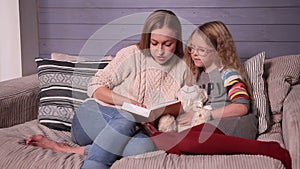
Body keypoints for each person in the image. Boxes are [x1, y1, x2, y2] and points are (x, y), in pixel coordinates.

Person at [26, 9, 188, 169]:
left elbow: (184, 104)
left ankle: (69, 149)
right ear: (147, 39)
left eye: (168, 44)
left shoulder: (183, 67)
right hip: (91, 118)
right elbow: (95, 86)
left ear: (177, 41)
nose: (160, 50)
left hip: (128, 132)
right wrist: (127, 102)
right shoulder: (131, 54)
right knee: (126, 116)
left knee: (145, 147)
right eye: (154, 43)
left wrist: (156, 117)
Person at [142, 21, 291, 169]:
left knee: (189, 141)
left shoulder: (228, 74)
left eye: (201, 50)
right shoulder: (199, 76)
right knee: (173, 140)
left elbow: (241, 107)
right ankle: (163, 138)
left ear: (218, 50)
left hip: (235, 121)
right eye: (192, 49)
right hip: (211, 124)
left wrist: (207, 114)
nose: (194, 53)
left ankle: (267, 148)